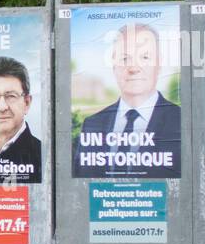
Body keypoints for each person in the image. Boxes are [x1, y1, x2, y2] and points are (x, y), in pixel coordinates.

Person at [74, 23, 182, 178]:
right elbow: (81, 184)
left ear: (159, 63)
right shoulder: (92, 124)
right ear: (113, 64)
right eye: (125, 58)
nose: (133, 67)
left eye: (144, 57)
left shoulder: (181, 121)